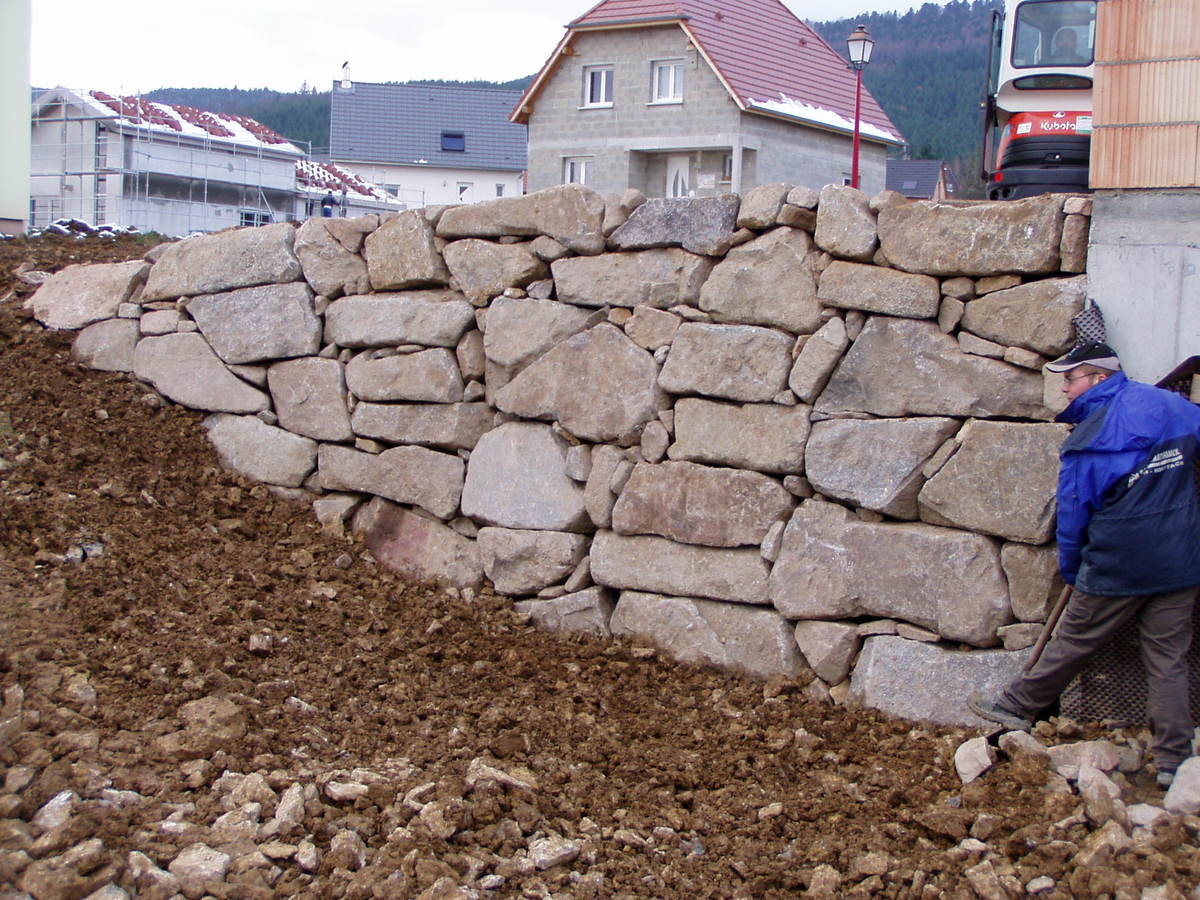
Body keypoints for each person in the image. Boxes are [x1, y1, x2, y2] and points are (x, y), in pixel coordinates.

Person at [971, 341, 1200, 789]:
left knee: (1075, 639)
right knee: (1169, 658)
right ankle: (1174, 761)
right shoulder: (1171, 407)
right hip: (1181, 559)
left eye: (1070, 379)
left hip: (1120, 562)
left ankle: (1016, 705)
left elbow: (1075, 517)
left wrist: (1074, 570)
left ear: (1098, 377)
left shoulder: (1090, 437)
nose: (1064, 390)